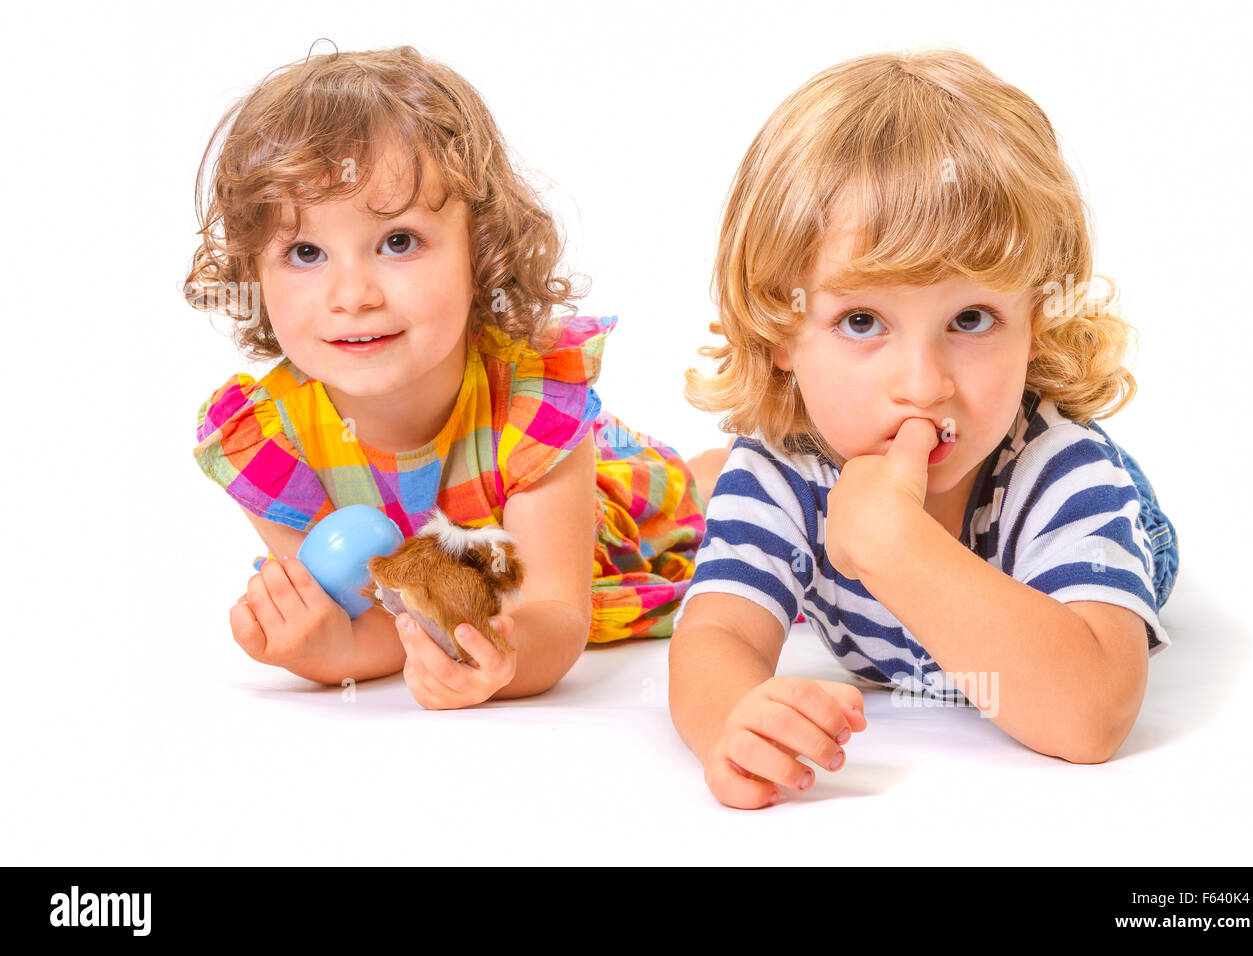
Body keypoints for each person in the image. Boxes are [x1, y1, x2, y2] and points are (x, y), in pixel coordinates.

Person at [668, 49, 1180, 809]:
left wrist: (891, 543)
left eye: (971, 319)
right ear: (779, 327)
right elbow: (717, 638)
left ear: (1035, 324)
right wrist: (732, 720)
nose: (923, 385)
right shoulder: (780, 472)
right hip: (801, 473)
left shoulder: (1060, 471)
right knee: (726, 488)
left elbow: (1093, 715)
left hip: (1115, 520)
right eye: (862, 321)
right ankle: (707, 469)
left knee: (1124, 526)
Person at [188, 45, 720, 709]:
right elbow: (381, 618)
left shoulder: (530, 406)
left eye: (398, 242)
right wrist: (331, 647)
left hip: (589, 514)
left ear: (482, 251)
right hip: (458, 559)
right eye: (305, 252)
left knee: (693, 496)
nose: (352, 295)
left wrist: (503, 659)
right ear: (253, 276)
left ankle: (715, 463)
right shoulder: (268, 444)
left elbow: (555, 610)